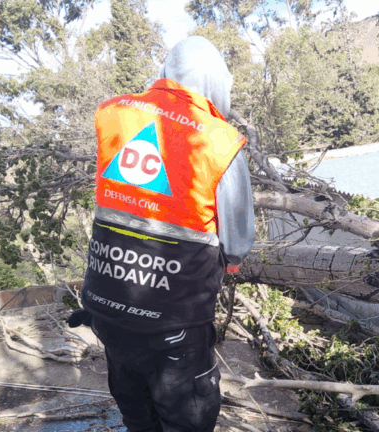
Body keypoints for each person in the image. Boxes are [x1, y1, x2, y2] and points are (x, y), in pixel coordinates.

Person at [68, 36, 255, 432]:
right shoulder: (219, 141)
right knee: (188, 416)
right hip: (173, 322)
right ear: (213, 80)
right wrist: (230, 264)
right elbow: (238, 244)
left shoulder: (113, 113)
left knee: (137, 410)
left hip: (105, 304)